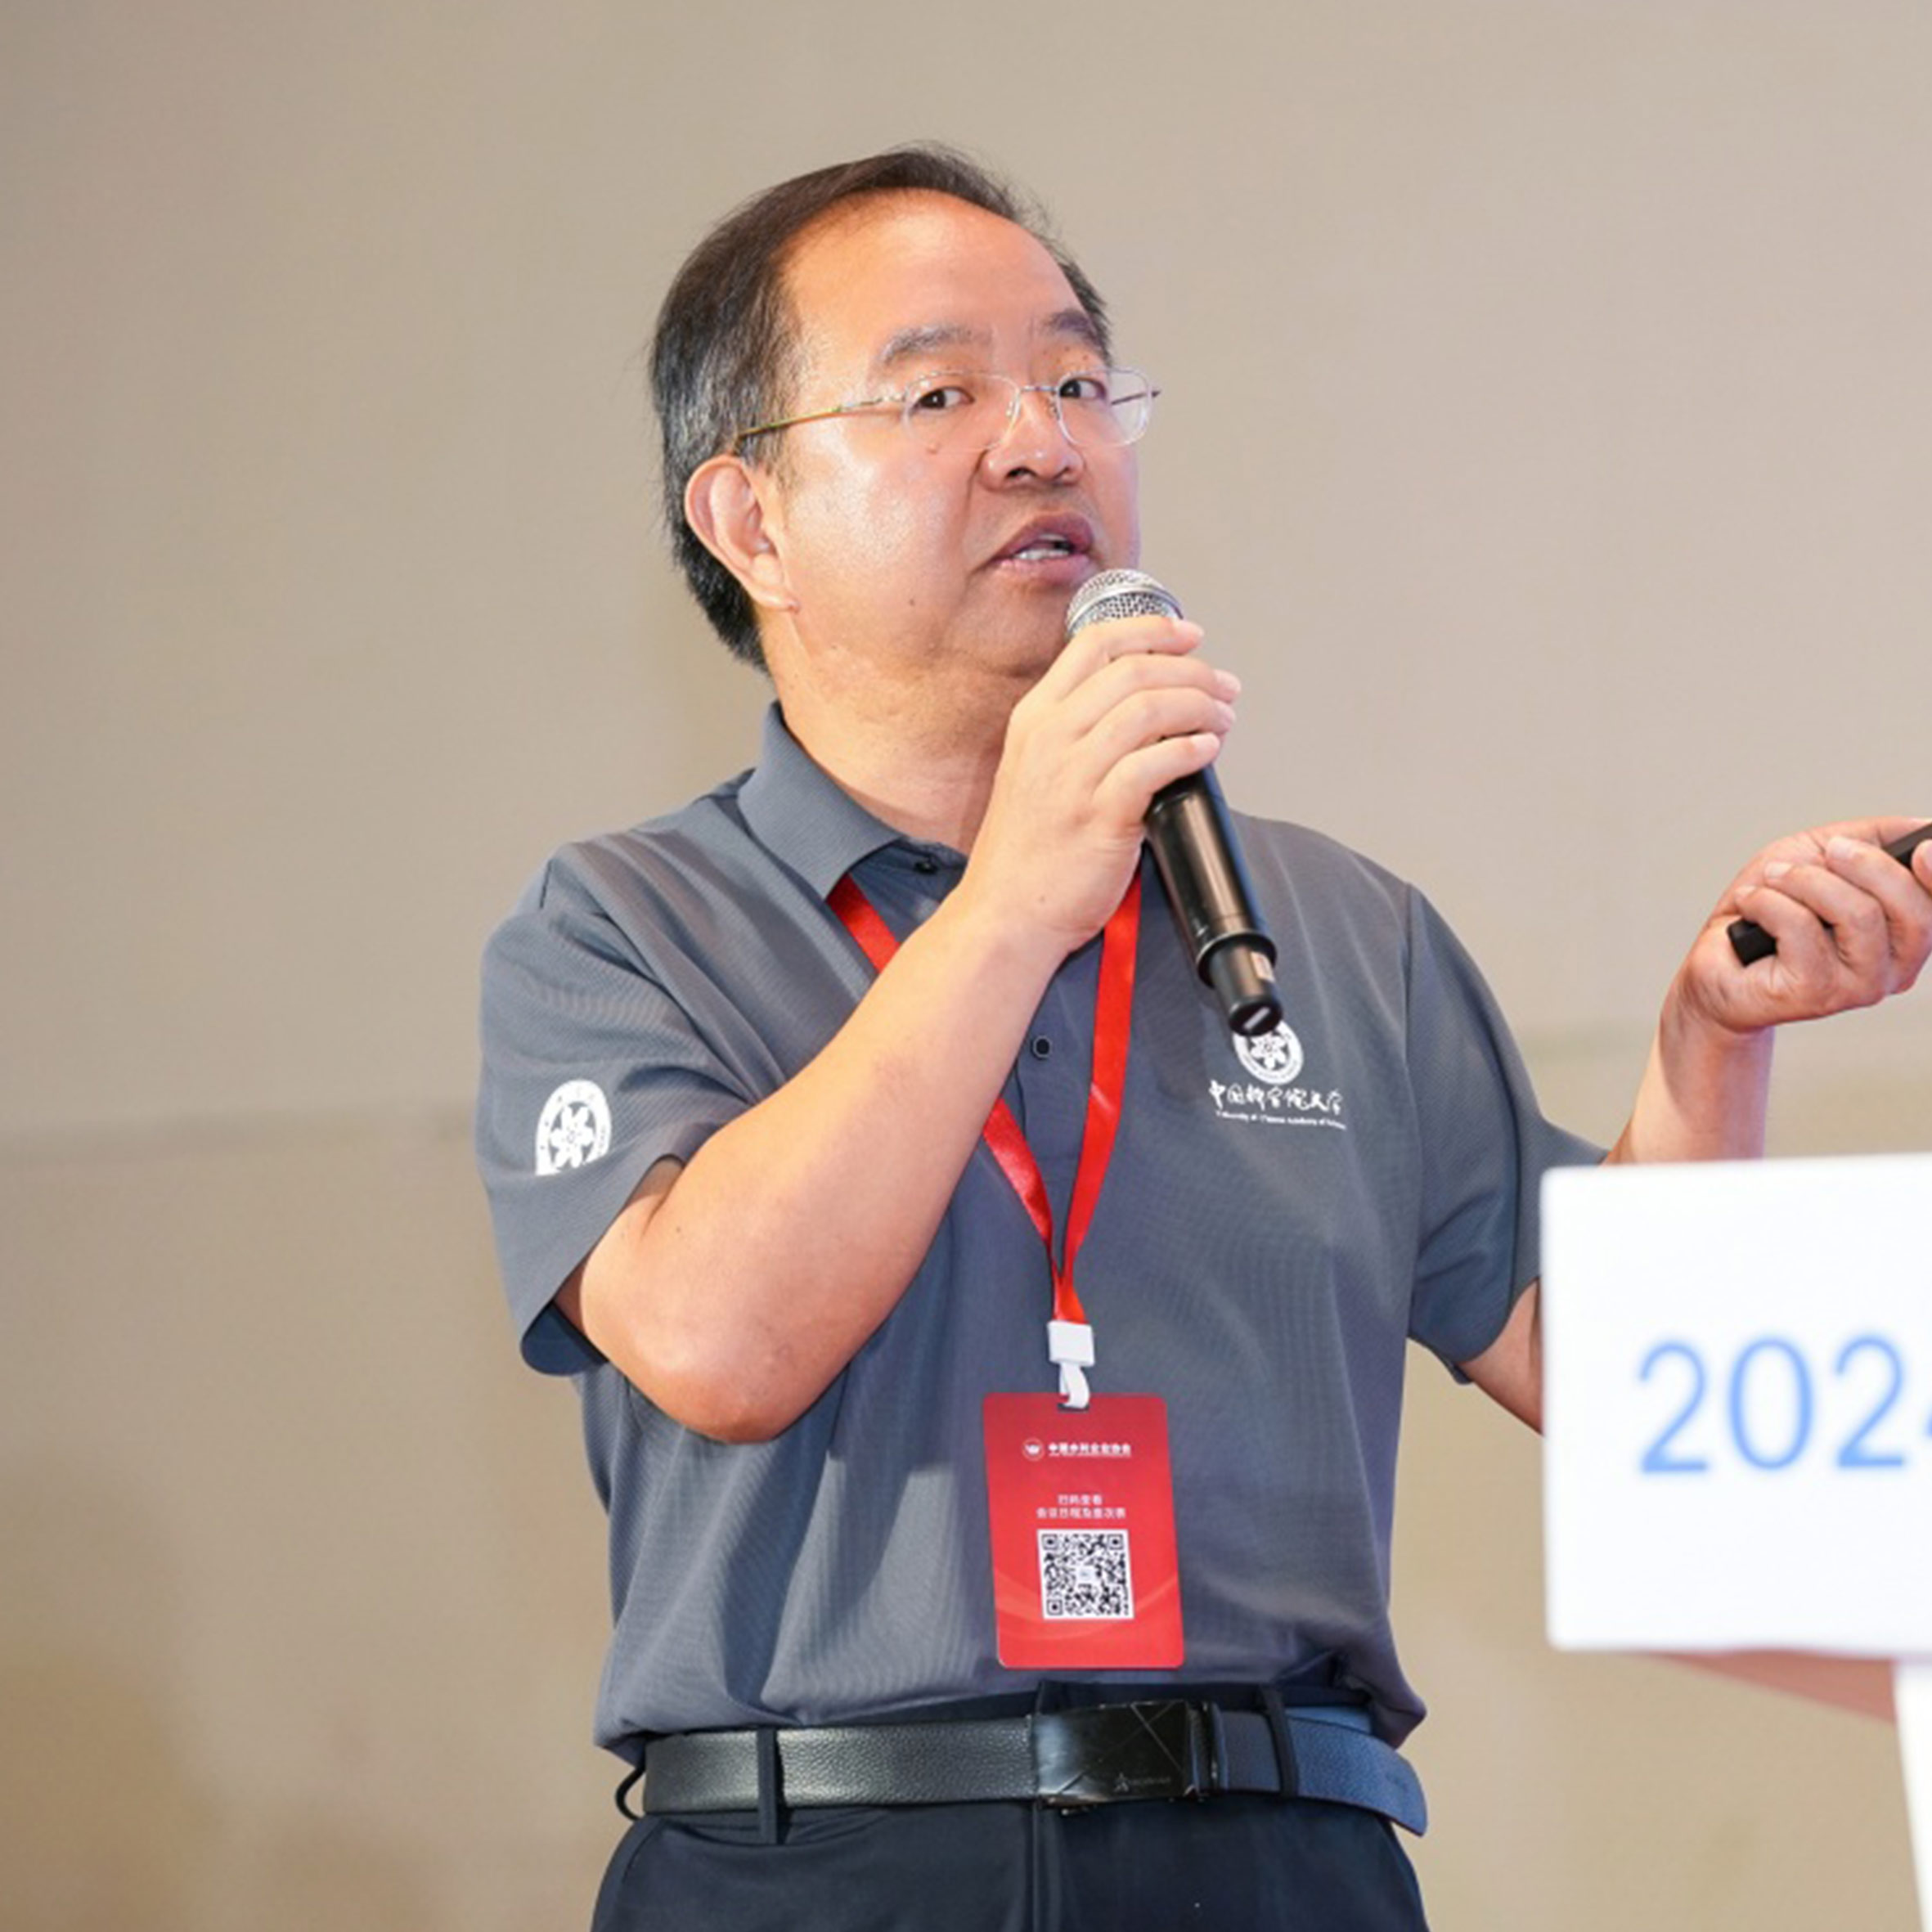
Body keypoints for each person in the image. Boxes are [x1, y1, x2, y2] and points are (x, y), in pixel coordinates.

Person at [474, 145, 1931, 1931]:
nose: (1041, 441)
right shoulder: (625, 928)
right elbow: (720, 1337)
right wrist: (1012, 898)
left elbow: (1634, 1387)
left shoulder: (1332, 928)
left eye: (1079, 382)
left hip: (1278, 1849)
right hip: (828, 1861)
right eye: (938, 393)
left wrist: (1711, 1037)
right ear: (748, 520)